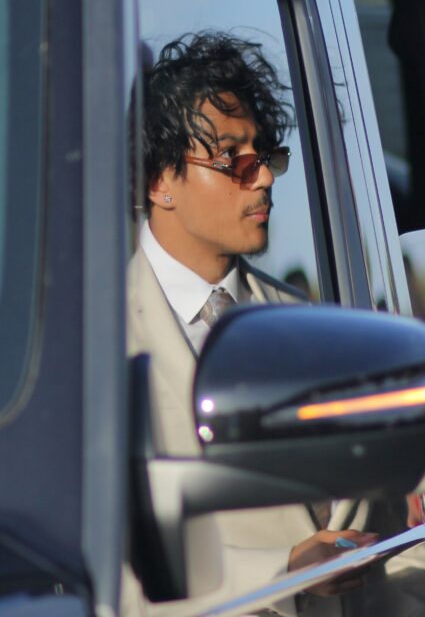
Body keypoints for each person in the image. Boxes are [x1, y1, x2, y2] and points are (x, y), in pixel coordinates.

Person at [127, 32, 372, 614]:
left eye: (264, 156)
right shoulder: (93, 339)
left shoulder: (309, 325)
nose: (262, 177)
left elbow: (378, 524)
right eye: (233, 159)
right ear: (160, 181)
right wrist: (279, 571)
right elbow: (97, 551)